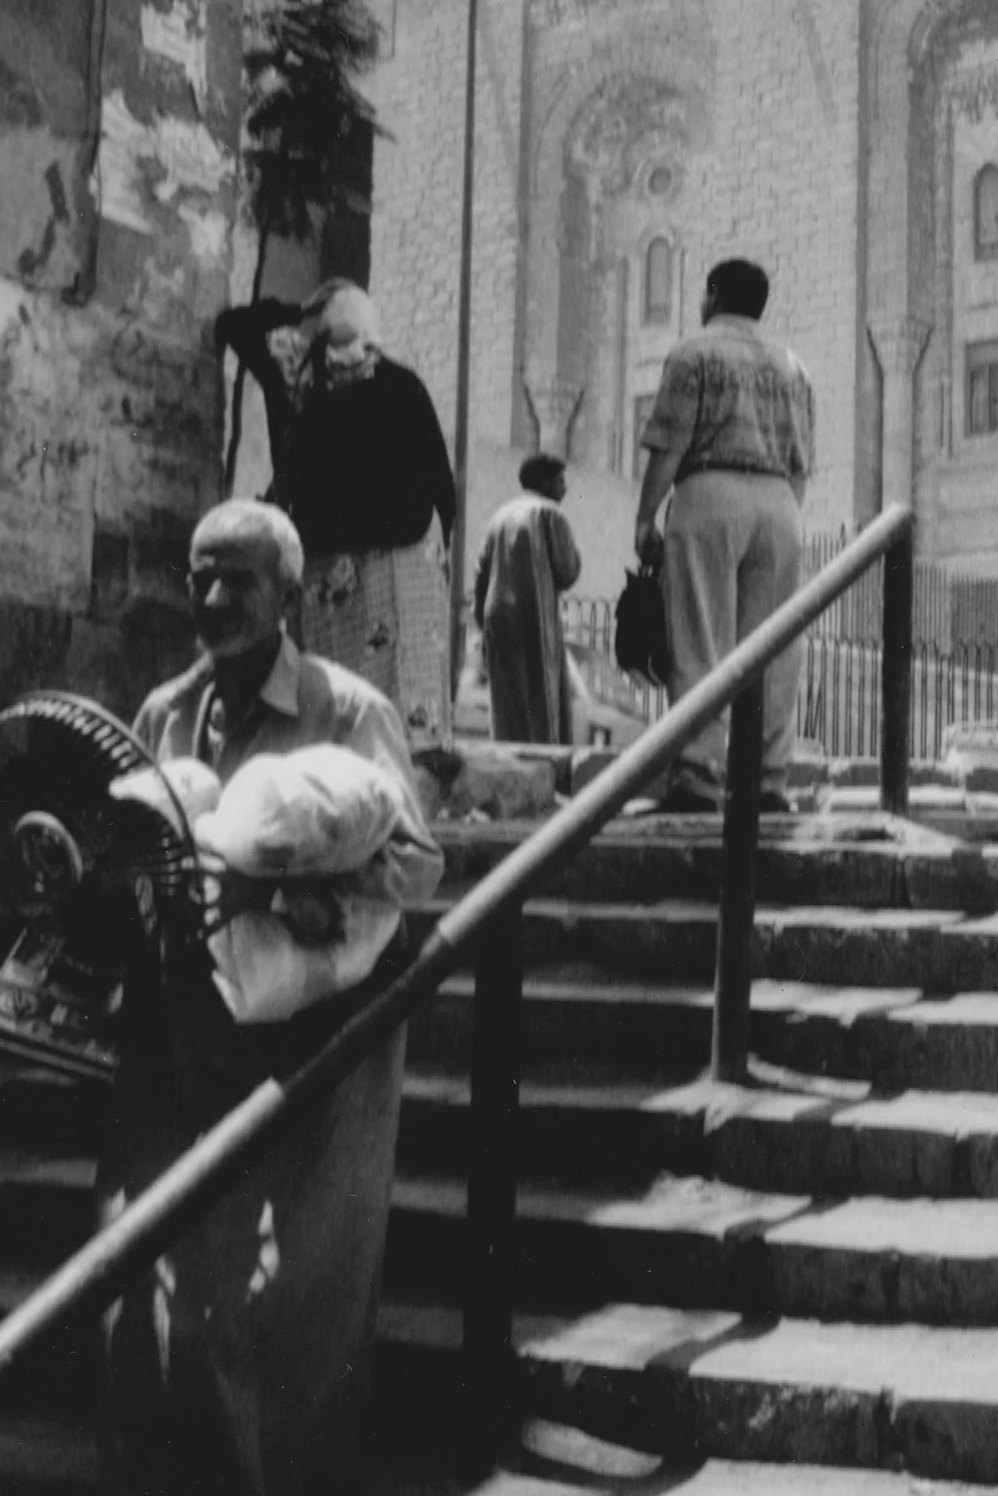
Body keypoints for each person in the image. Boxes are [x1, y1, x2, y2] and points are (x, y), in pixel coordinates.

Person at [101, 499, 443, 1496]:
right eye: (199, 576)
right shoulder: (166, 710)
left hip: (311, 1034)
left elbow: (416, 865)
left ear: (290, 595)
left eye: (237, 579)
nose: (211, 598)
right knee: (149, 1281)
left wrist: (285, 892)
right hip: (185, 1022)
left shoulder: (347, 708)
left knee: (291, 1302)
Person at [215, 282, 459, 746]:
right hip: (405, 566)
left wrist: (298, 307)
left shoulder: (303, 383)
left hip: (340, 568)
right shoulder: (400, 385)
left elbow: (237, 325)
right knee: (404, 713)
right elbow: (443, 491)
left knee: (339, 698)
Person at [633, 257, 816, 812]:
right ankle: (767, 778)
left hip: (709, 494)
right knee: (774, 647)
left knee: (701, 638)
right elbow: (802, 464)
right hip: (779, 504)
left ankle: (698, 773)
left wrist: (646, 516)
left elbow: (671, 444)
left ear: (712, 295)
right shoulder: (792, 367)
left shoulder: (694, 355)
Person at [475, 453, 583, 743]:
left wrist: (480, 622)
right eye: (561, 481)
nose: (565, 488)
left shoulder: (498, 516)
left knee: (507, 705)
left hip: (496, 616)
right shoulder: (550, 513)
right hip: (534, 615)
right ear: (546, 483)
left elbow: (480, 573)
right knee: (542, 703)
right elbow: (568, 570)